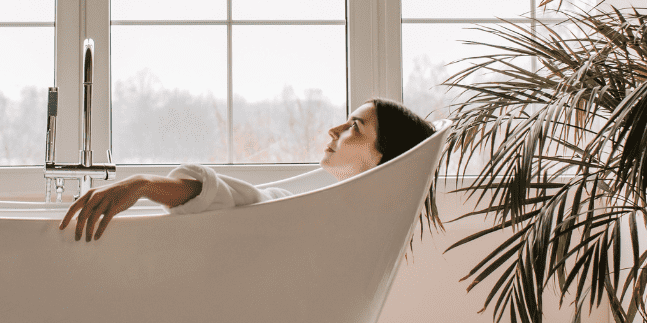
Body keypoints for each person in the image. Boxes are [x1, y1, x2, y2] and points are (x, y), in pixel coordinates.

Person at [59, 98, 436, 241]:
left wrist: (144, 184)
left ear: (385, 159)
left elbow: (246, 205)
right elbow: (257, 205)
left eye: (355, 126)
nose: (334, 129)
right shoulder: (330, 220)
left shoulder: (331, 227)